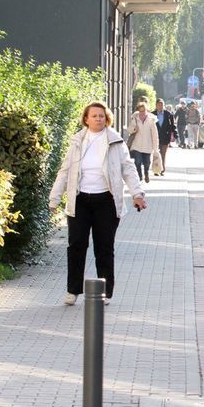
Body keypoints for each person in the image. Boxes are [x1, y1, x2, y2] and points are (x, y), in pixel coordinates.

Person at [49, 101, 146, 306]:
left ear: (107, 118)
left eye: (101, 115)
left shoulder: (115, 142)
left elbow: (128, 169)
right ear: (86, 119)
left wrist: (137, 193)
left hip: (106, 201)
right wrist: (54, 197)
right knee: (76, 245)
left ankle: (104, 292)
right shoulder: (77, 141)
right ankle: (73, 290)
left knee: (104, 247)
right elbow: (65, 171)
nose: (98, 119)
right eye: (94, 116)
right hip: (80, 200)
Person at [127, 102, 159, 183]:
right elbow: (129, 130)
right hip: (137, 145)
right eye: (140, 111)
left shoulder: (151, 120)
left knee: (147, 162)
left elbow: (154, 135)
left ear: (146, 110)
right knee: (137, 162)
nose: (142, 113)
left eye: (143, 110)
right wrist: (134, 129)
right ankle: (140, 176)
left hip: (148, 145)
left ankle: (146, 173)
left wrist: (155, 148)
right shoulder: (135, 119)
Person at [153, 99, 177, 175]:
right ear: (156, 105)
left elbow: (173, 126)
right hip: (155, 137)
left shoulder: (168, 114)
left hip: (165, 136)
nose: (160, 107)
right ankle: (156, 169)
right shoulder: (152, 115)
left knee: (163, 153)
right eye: (159, 105)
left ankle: (162, 169)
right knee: (156, 153)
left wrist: (175, 134)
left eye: (162, 105)